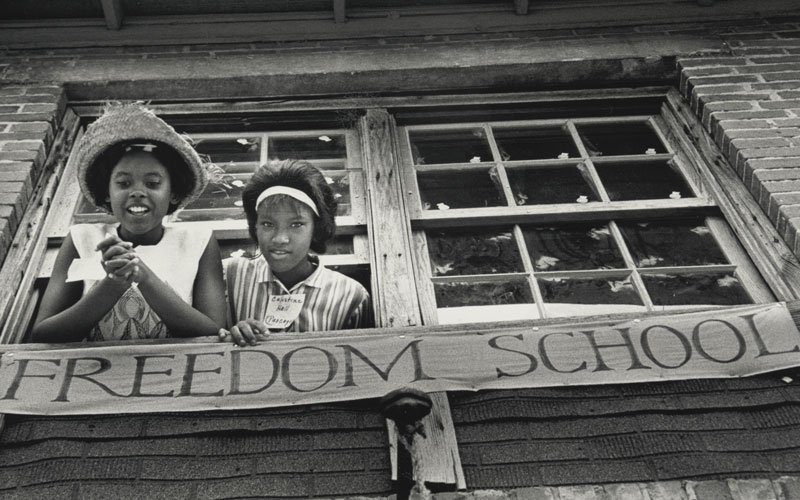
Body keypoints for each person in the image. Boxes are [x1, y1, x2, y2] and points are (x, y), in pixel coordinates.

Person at [31, 103, 226, 342]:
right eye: (123, 184)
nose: (137, 192)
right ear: (106, 193)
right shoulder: (83, 238)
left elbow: (216, 332)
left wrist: (143, 277)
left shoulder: (198, 241)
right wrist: (112, 285)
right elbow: (42, 334)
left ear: (173, 193)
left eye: (153, 183)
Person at [220, 160, 372, 346]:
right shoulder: (229, 276)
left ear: (316, 228)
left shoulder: (351, 296)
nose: (280, 239)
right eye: (268, 224)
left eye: (296, 224)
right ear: (255, 226)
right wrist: (231, 336)